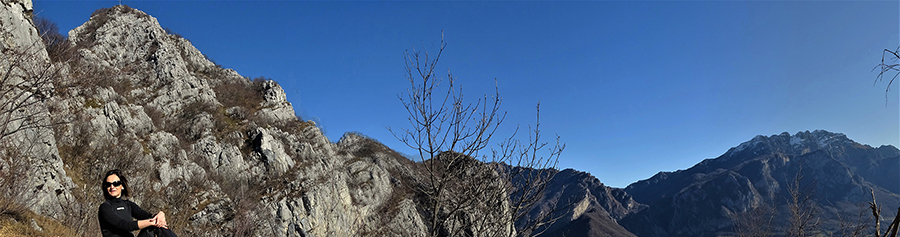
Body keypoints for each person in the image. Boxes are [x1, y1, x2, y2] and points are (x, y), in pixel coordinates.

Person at [98, 169, 177, 237]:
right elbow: (126, 225)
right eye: (108, 185)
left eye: (116, 184)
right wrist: (153, 222)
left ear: (122, 186)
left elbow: (146, 216)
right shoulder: (105, 207)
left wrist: (160, 214)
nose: (112, 187)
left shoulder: (128, 205)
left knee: (156, 226)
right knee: (154, 224)